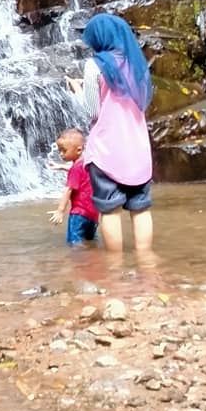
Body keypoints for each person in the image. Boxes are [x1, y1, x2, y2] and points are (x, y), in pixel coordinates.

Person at [66, 13, 154, 253]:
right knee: (141, 207)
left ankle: (114, 269)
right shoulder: (137, 64)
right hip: (138, 147)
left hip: (107, 150)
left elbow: (92, 112)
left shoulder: (94, 65)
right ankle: (147, 262)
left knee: (109, 210)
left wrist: (76, 91)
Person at [46, 128, 98, 245]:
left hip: (78, 214)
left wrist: (60, 211)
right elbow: (79, 173)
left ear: (79, 150)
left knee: (74, 243)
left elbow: (68, 190)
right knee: (91, 240)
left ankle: (78, 262)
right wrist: (61, 166)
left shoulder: (75, 168)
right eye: (59, 151)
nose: (61, 154)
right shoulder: (87, 163)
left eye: (64, 151)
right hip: (93, 213)